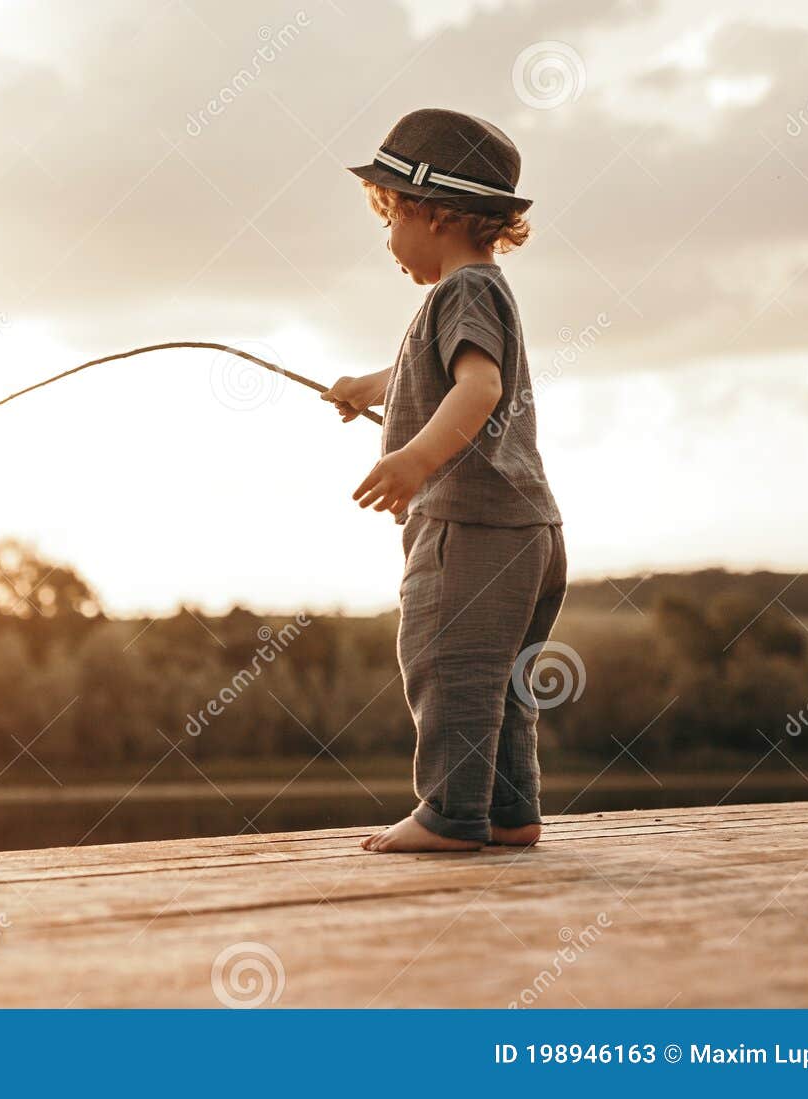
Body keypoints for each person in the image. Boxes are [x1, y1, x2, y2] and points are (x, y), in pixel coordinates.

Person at [322, 108, 566, 853]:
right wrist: (372, 385)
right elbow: (440, 369)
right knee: (505, 681)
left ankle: (450, 813)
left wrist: (412, 461)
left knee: (444, 661)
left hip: (471, 524)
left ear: (430, 214)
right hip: (531, 531)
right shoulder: (482, 293)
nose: (387, 238)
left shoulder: (458, 293)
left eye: (388, 216)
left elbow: (478, 387)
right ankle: (507, 809)